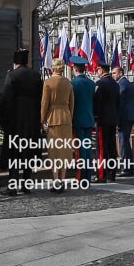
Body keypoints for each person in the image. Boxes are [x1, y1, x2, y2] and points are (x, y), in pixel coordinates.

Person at [0, 49, 43, 194]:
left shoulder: (12, 75)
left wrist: (3, 121)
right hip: (32, 120)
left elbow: (6, 100)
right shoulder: (36, 75)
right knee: (29, 151)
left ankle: (12, 187)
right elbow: (41, 98)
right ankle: (26, 184)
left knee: (14, 153)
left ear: (15, 62)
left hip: (15, 121)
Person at [41, 60, 75, 192]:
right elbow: (72, 103)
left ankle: (56, 181)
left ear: (53, 68)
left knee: (54, 152)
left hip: (53, 118)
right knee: (65, 151)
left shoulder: (48, 82)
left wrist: (42, 120)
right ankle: (62, 179)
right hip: (66, 118)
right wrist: (69, 117)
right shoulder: (68, 83)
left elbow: (44, 104)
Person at [69, 58, 97, 182]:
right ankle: (88, 176)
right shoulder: (91, 83)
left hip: (77, 120)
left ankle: (81, 177)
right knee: (88, 149)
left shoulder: (73, 84)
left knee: (80, 150)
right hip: (89, 119)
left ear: (75, 69)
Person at [93, 64, 121, 182]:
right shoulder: (115, 84)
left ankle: (102, 174)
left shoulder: (100, 84)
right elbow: (118, 102)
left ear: (101, 70)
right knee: (111, 147)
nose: (97, 71)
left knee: (101, 148)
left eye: (97, 69)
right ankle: (112, 173)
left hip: (102, 120)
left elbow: (96, 103)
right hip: (113, 119)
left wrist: (95, 116)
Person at [113, 66, 134, 176]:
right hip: (129, 116)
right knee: (126, 142)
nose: (113, 75)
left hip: (124, 117)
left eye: (114, 73)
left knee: (123, 143)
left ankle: (126, 168)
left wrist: (117, 120)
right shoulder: (127, 83)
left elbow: (120, 103)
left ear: (121, 73)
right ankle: (130, 168)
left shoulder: (122, 84)